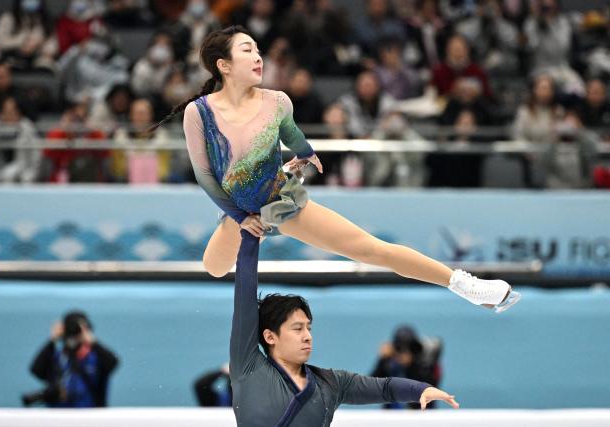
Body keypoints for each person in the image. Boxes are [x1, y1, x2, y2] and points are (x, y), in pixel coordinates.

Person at [151, 25, 520, 313]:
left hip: (280, 199)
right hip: (240, 210)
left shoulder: (276, 100)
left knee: (373, 250)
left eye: (259, 50)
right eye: (248, 50)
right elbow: (204, 175)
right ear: (224, 65)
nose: (258, 56)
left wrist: (303, 154)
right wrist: (238, 216)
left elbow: (291, 135)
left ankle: (465, 284)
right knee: (214, 268)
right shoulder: (199, 112)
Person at [227, 230, 458, 425]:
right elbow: (244, 294)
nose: (307, 336)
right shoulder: (248, 366)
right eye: (297, 329)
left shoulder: (331, 383)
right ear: (269, 336)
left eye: (309, 328)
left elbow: (384, 388)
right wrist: (250, 236)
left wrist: (420, 390)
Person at [23, 310, 119, 408]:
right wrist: (52, 340)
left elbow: (113, 363)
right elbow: (36, 370)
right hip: (59, 417)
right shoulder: (57, 358)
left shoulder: (97, 358)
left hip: (90, 417)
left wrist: (93, 342)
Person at [371, 325, 442, 409]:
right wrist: (382, 360)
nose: (404, 352)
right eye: (399, 347)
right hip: (391, 417)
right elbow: (371, 388)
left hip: (421, 417)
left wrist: (411, 365)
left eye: (409, 347)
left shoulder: (425, 365)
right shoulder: (388, 365)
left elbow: (426, 387)